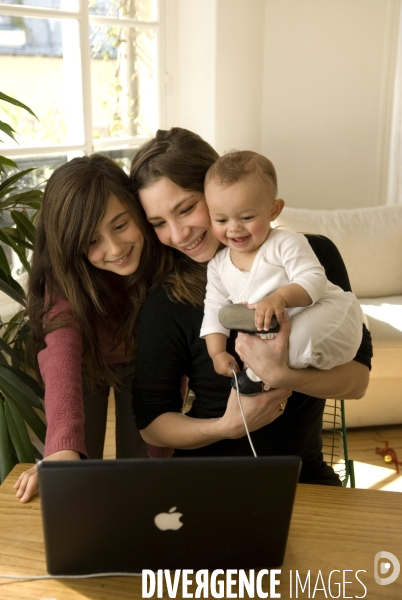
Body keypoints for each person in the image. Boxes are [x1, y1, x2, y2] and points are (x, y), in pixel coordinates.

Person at [130, 127, 372, 486]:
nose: (178, 235)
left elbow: (358, 381)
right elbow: (152, 426)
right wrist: (225, 427)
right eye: (159, 223)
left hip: (301, 476)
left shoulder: (309, 257)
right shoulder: (167, 301)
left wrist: (286, 377)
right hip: (208, 477)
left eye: (186, 209)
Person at [14, 154, 169, 503]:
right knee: (78, 466)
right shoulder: (63, 275)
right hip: (86, 364)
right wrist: (59, 451)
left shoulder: (162, 250)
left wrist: (161, 464)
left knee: (144, 472)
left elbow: (170, 359)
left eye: (119, 225)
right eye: (91, 241)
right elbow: (61, 350)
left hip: (146, 364)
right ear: (70, 245)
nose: (115, 249)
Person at [201, 150, 363, 395]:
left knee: (289, 344)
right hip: (282, 334)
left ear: (274, 210)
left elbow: (315, 280)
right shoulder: (217, 266)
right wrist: (217, 352)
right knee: (263, 348)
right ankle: (263, 374)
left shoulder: (285, 242)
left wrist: (280, 298)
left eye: (246, 217)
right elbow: (214, 309)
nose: (234, 228)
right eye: (221, 220)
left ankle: (259, 376)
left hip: (328, 314)